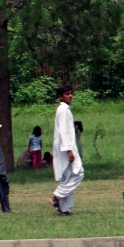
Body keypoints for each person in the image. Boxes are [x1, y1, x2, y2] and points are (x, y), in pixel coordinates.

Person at [51, 86, 83, 216]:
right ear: (60, 96)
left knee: (67, 177)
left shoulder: (64, 109)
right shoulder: (63, 110)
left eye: (71, 94)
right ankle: (57, 197)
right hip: (66, 147)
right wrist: (69, 150)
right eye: (67, 94)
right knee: (79, 172)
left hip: (66, 146)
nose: (70, 96)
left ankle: (65, 209)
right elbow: (63, 131)